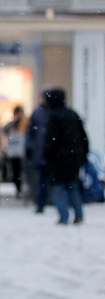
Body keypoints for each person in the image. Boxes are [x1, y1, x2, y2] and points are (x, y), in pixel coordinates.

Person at [43, 88, 89, 225]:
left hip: (59, 159)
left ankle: (63, 216)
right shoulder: (73, 114)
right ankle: (79, 214)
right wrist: (83, 154)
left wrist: (48, 156)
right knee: (72, 186)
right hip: (74, 158)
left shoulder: (54, 117)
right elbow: (83, 136)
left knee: (58, 188)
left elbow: (51, 140)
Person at [25, 92, 51, 213]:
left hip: (43, 152)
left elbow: (30, 132)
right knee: (42, 180)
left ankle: (43, 202)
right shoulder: (39, 113)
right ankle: (42, 202)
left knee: (42, 180)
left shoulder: (40, 113)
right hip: (43, 152)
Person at [3, 106, 28, 196]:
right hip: (14, 151)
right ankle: (18, 188)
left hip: (23, 151)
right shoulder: (11, 124)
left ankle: (22, 188)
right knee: (15, 171)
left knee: (22, 171)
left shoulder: (26, 123)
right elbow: (5, 130)